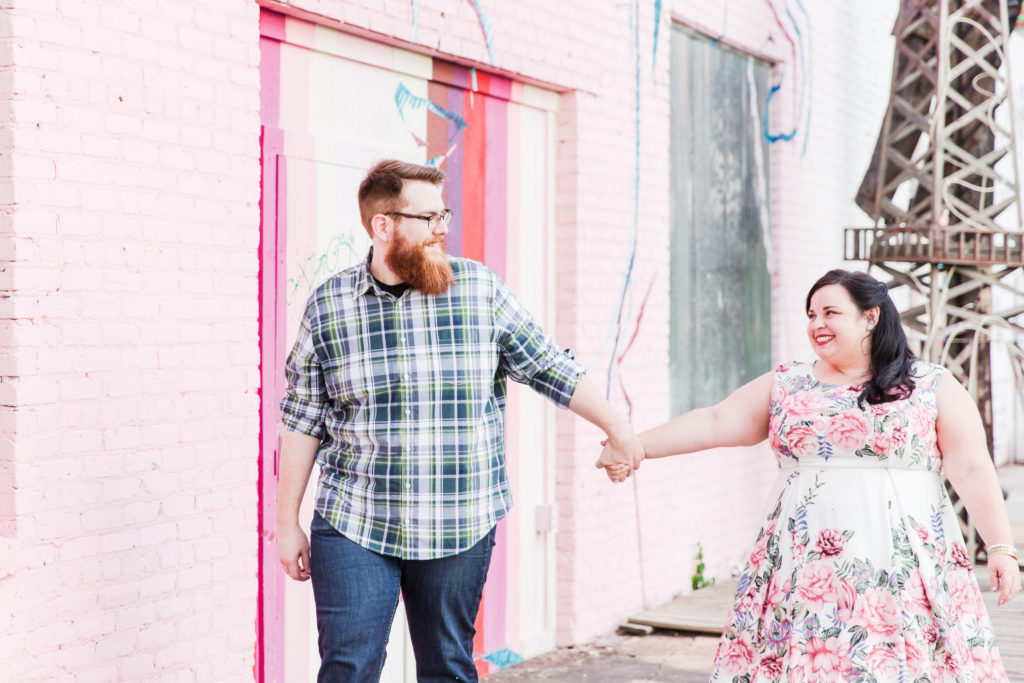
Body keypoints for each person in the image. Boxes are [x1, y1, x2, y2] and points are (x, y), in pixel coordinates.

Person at [277, 159, 643, 682]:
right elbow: (303, 418)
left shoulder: (480, 291)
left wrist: (618, 426)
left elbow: (547, 366)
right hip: (354, 518)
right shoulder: (329, 305)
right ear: (384, 225)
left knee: (447, 667)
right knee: (347, 668)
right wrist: (286, 520)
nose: (443, 228)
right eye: (428, 218)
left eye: (443, 214)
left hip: (459, 518)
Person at [601, 269, 1021, 681]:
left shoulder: (931, 384)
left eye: (830, 313)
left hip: (903, 565)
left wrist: (1000, 546)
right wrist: (636, 445)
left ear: (870, 316)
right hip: (804, 566)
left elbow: (972, 470)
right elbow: (714, 422)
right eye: (811, 314)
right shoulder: (788, 383)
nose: (816, 324)